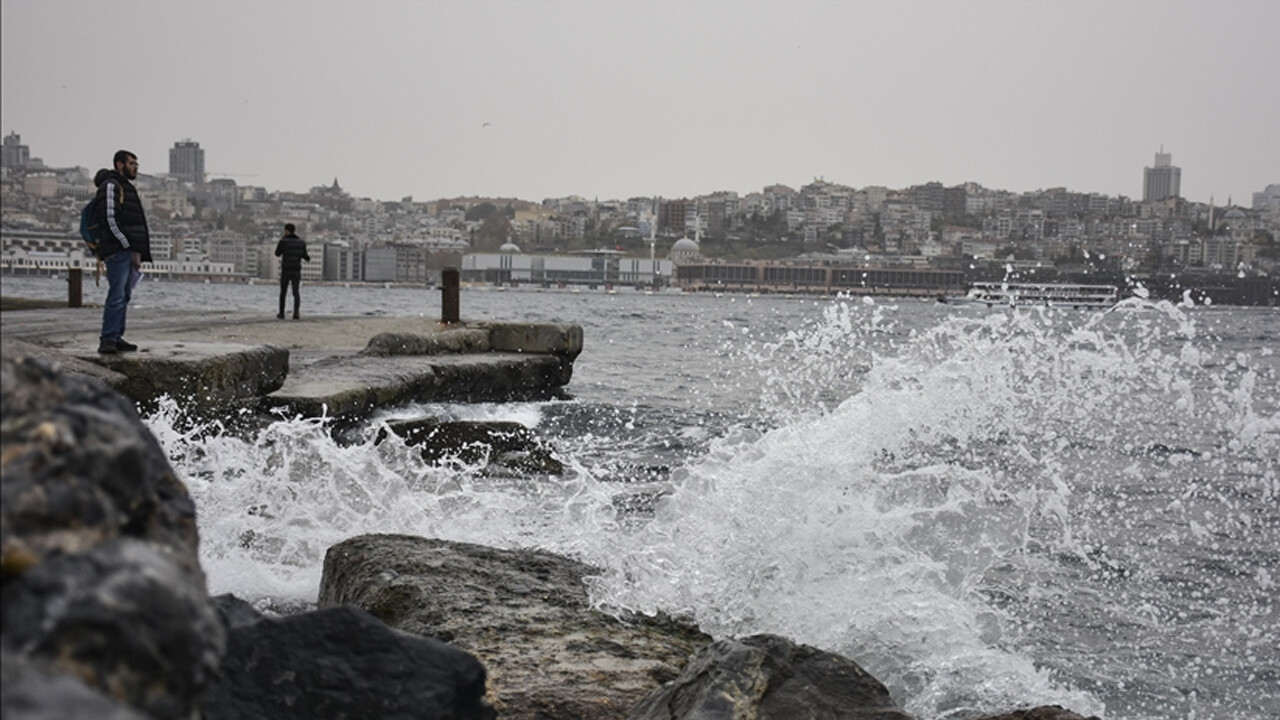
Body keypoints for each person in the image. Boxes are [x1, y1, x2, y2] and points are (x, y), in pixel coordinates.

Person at [93, 150, 152, 354]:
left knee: (124, 295)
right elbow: (110, 219)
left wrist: (136, 250)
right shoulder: (111, 186)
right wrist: (126, 245)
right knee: (117, 295)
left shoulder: (125, 187)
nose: (135, 167)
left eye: (136, 164)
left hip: (127, 251)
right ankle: (108, 338)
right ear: (120, 165)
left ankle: (116, 336)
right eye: (132, 163)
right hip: (118, 251)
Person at [274, 223, 310, 319]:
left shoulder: (283, 242)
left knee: (283, 292)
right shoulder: (301, 242)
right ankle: (296, 313)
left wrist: (281, 240)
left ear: (286, 231)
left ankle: (281, 313)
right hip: (296, 270)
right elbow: (306, 256)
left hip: (286, 269)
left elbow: (277, 253)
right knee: (296, 292)